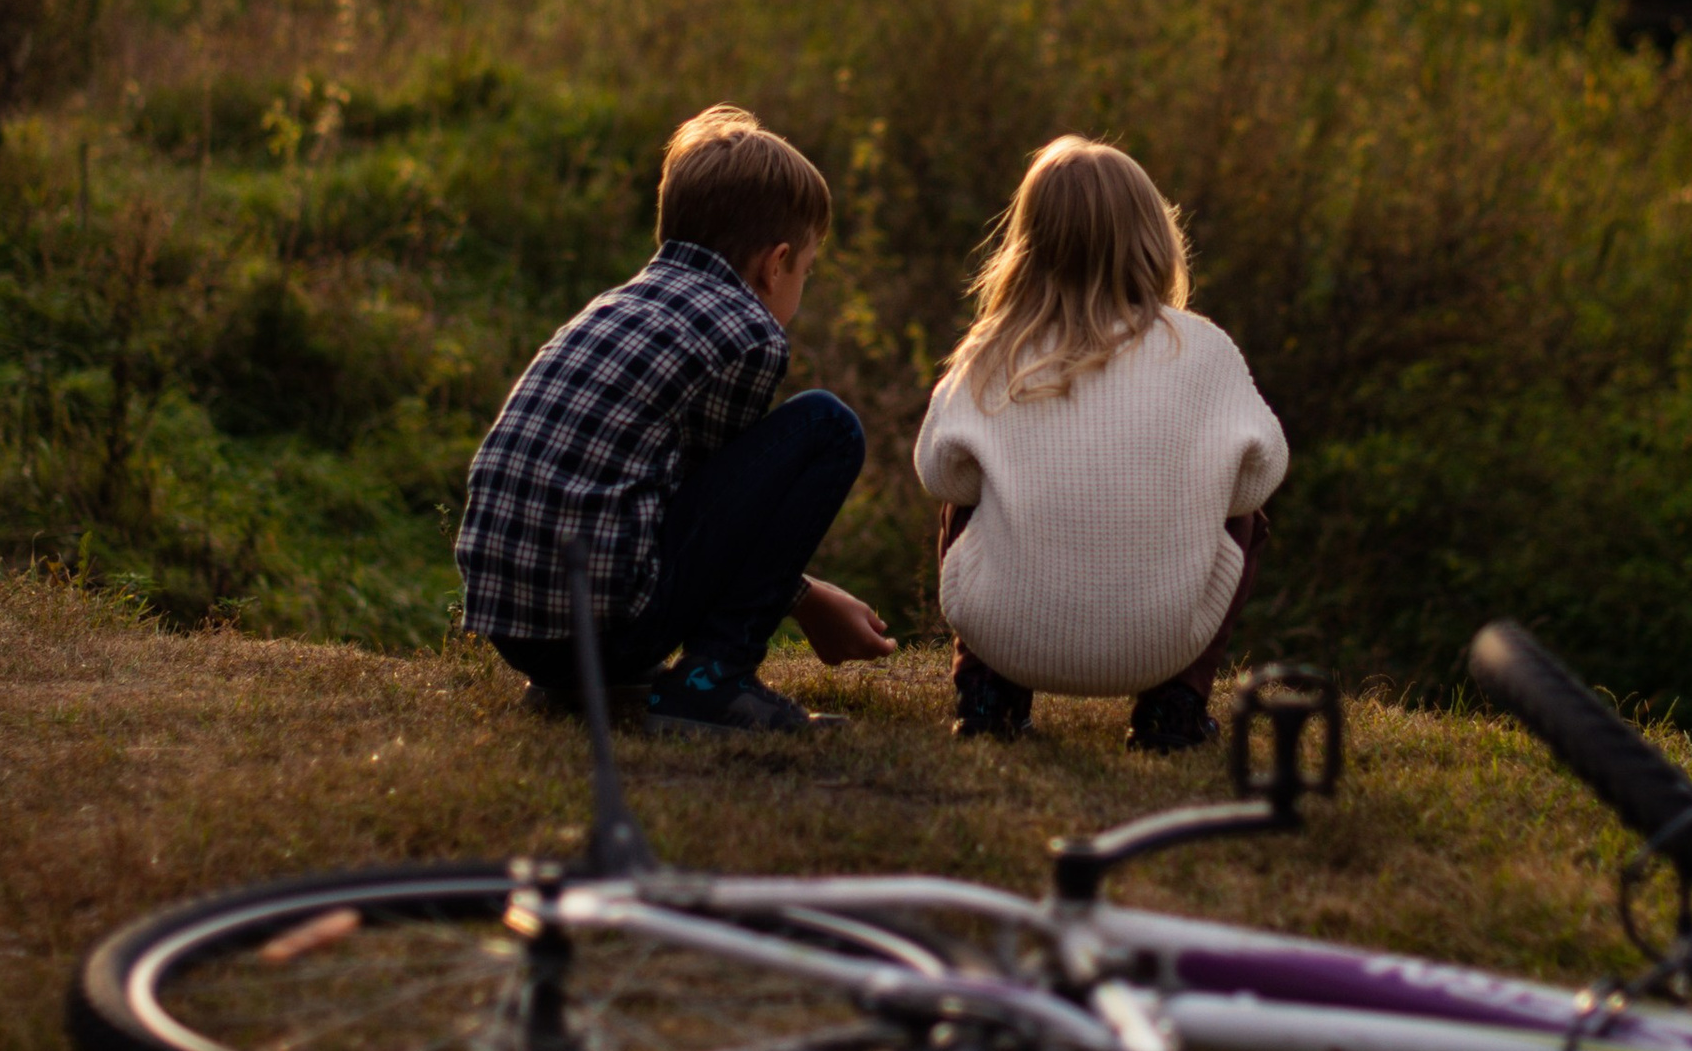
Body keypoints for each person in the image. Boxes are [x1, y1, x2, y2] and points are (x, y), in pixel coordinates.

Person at [457, 103, 895, 735]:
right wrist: (804, 600)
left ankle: (586, 686)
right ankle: (713, 680)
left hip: (515, 629)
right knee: (828, 425)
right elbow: (720, 521)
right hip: (603, 630)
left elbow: (690, 519)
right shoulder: (749, 334)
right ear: (775, 265)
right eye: (806, 270)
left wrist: (801, 596)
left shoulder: (614, 305)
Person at [913, 134, 1288, 753]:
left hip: (1011, 634)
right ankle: (1175, 707)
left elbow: (938, 474)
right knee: (1246, 518)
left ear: (1026, 246)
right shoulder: (1203, 349)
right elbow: (1260, 476)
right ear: (1155, 237)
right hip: (1165, 639)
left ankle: (988, 696)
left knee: (968, 493)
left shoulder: (992, 349)